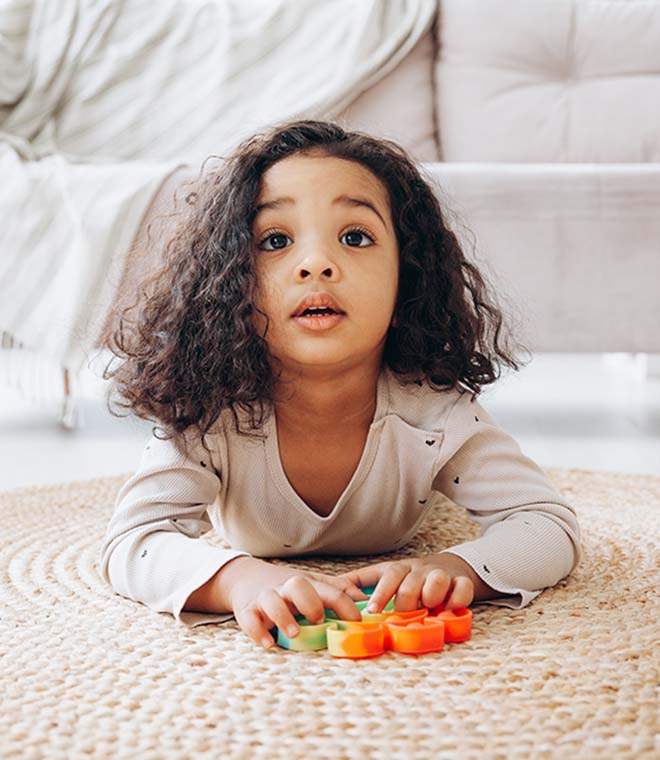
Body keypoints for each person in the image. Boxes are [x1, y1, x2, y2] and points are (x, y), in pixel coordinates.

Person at [99, 119, 582, 651]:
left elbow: (548, 525)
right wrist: (240, 580)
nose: (316, 265)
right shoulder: (212, 410)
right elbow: (133, 542)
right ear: (232, 283)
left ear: (410, 280)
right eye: (276, 240)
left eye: (354, 237)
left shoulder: (432, 410)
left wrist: (453, 566)